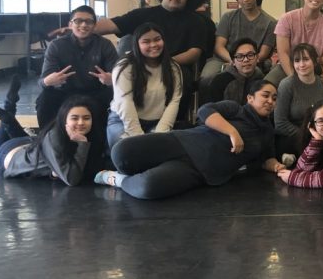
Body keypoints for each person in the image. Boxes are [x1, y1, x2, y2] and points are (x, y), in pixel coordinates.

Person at [94, 81, 287, 200]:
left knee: (147, 188)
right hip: (183, 141)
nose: (270, 101)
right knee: (121, 152)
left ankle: (117, 179)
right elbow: (205, 111)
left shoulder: (267, 131)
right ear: (250, 98)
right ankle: (130, 169)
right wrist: (232, 132)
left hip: (202, 170)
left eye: (274, 98)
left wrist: (277, 166)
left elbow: (266, 159)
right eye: (266, 95)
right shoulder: (234, 108)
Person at [0, 76, 106, 187]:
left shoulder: (93, 133)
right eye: (74, 118)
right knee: (6, 128)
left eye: (86, 118)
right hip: (10, 154)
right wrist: (82, 144)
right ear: (64, 120)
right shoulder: (55, 136)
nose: (81, 122)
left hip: (31, 144)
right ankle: (8, 112)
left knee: (34, 146)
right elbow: (71, 179)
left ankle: (9, 108)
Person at [36, 4, 117, 127]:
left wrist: (111, 80)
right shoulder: (56, 45)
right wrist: (47, 81)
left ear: (94, 25)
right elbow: (43, 81)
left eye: (88, 22)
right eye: (78, 21)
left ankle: (102, 142)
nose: (84, 25)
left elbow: (118, 78)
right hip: (65, 93)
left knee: (112, 94)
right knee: (44, 98)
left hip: (95, 93)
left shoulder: (105, 45)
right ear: (70, 24)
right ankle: (46, 139)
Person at [107, 22, 183, 149]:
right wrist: (138, 137)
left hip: (157, 122)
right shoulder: (124, 67)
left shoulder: (173, 67)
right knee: (128, 151)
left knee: (160, 151)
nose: (153, 45)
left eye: (157, 39)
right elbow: (125, 103)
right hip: (123, 121)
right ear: (137, 44)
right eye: (146, 42)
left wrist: (160, 133)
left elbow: (174, 101)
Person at [274, 43, 323, 159]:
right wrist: (309, 135)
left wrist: (322, 134)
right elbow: (280, 123)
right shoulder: (286, 85)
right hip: (295, 135)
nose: (301, 64)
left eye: (306, 59)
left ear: (314, 62)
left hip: (322, 132)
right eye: (297, 60)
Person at [200, 0, 276, 90]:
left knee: (258, 80)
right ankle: (207, 107)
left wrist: (244, 62)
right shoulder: (228, 17)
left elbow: (263, 53)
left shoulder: (270, 23)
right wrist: (233, 61)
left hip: (251, 62)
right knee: (206, 78)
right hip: (223, 59)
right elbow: (219, 46)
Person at [203, 38, 266, 105]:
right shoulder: (220, 82)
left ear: (257, 58)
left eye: (250, 55)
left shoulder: (262, 81)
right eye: (240, 56)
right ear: (233, 62)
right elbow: (209, 110)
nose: (246, 60)